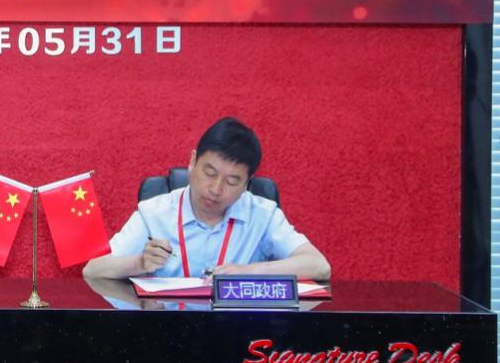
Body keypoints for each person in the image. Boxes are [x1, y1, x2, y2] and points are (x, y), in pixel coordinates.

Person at [83, 117, 330, 281]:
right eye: (209, 173)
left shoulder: (263, 215)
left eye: (232, 181)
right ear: (192, 162)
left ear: (248, 182)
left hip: (239, 332)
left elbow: (319, 266)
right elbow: (93, 270)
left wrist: (247, 272)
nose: (215, 188)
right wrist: (140, 263)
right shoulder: (154, 212)